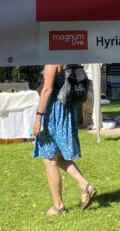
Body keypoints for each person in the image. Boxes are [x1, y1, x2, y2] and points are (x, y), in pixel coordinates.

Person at [32, 64, 97, 215]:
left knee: (49, 158)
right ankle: (85, 186)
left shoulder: (52, 60)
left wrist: (38, 116)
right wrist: (80, 111)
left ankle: (58, 207)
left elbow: (48, 90)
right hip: (70, 109)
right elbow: (77, 83)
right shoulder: (70, 54)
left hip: (55, 112)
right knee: (58, 156)